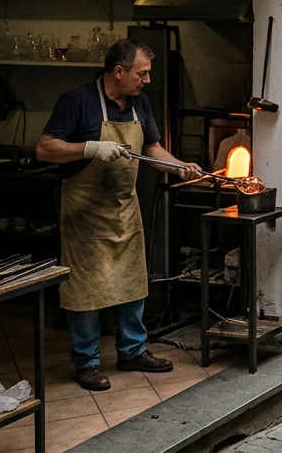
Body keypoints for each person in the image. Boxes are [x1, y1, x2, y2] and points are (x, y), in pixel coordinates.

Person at [37, 40, 203, 391]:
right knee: (85, 289)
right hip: (84, 210)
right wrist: (91, 148)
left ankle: (132, 350)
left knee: (132, 280)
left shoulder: (139, 103)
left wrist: (179, 167)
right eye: (142, 73)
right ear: (119, 71)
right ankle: (87, 362)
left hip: (124, 207)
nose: (146, 81)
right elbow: (45, 148)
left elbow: (152, 148)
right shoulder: (77, 100)